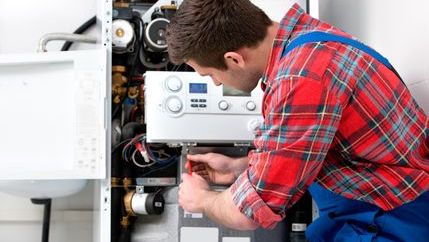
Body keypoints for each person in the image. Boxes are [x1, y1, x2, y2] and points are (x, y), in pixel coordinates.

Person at [166, 1, 429, 241]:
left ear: (234, 59)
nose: (215, 82)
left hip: (394, 217)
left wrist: (201, 199)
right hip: (378, 199)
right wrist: (239, 167)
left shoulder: (301, 79)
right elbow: (309, 146)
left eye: (209, 74)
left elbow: (246, 214)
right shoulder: (307, 40)